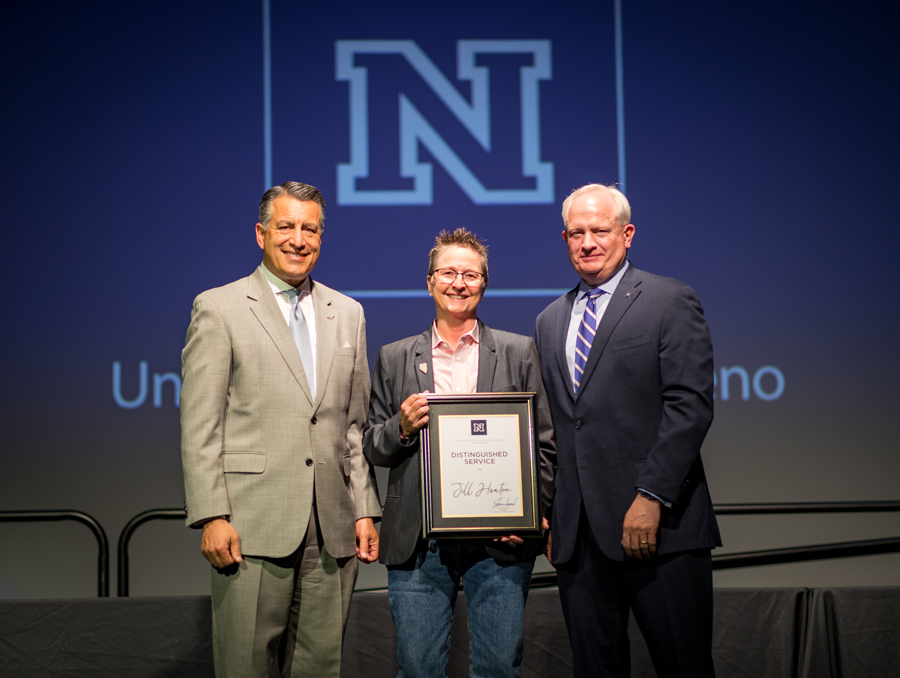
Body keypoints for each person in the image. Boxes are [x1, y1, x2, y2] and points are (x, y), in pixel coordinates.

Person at [180, 181, 381, 678]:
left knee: (320, 668)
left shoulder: (348, 312)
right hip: (250, 528)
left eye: (309, 228)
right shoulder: (219, 308)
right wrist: (211, 515)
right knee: (243, 667)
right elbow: (201, 425)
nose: (298, 239)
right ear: (260, 234)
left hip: (332, 529)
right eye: (286, 226)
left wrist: (364, 510)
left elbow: (352, 427)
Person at [535, 184, 721, 678]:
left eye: (600, 230)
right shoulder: (549, 320)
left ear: (627, 234)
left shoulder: (669, 299)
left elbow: (690, 407)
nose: (588, 242)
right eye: (577, 233)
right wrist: (551, 511)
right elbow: (554, 426)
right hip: (580, 540)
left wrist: (652, 496)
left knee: (684, 667)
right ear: (565, 237)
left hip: (659, 528)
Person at [363, 228, 556, 678]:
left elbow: (544, 443)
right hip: (419, 542)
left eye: (471, 274)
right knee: (417, 669)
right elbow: (373, 443)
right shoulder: (394, 357)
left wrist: (529, 517)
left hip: (499, 542)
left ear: (485, 284)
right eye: (448, 272)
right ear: (429, 281)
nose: (459, 283)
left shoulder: (517, 351)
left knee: (497, 669)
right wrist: (402, 428)